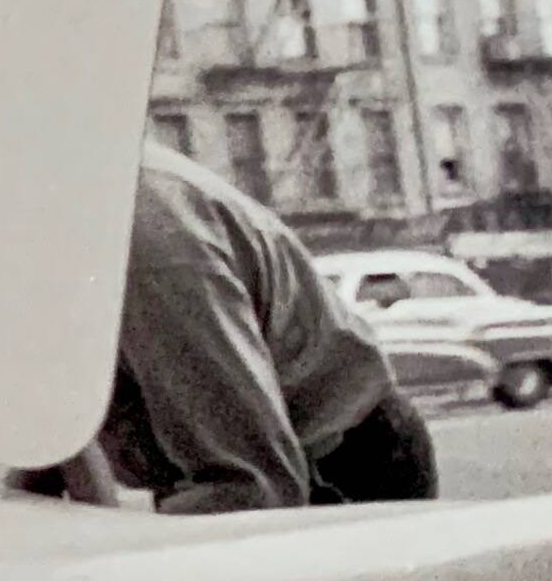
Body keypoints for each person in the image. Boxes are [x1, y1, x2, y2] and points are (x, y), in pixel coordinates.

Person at [34, 139, 436, 513]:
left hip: (343, 468)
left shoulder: (139, 236)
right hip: (247, 466)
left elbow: (253, 485)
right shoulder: (54, 207)